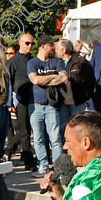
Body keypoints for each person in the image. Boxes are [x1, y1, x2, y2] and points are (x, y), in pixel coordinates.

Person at [27, 35, 68, 175]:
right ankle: (42, 166)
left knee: (55, 138)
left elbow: (64, 77)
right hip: (35, 106)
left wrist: (44, 80)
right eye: (51, 45)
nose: (54, 48)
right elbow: (35, 80)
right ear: (44, 46)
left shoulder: (56, 61)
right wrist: (52, 77)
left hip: (52, 106)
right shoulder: (32, 62)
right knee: (38, 139)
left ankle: (57, 169)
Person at [56, 38, 95, 132]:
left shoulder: (81, 62)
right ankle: (65, 146)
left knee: (76, 127)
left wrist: (85, 97)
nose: (55, 51)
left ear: (64, 50)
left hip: (77, 101)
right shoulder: (57, 62)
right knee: (63, 127)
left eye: (57, 49)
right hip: (62, 101)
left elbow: (91, 81)